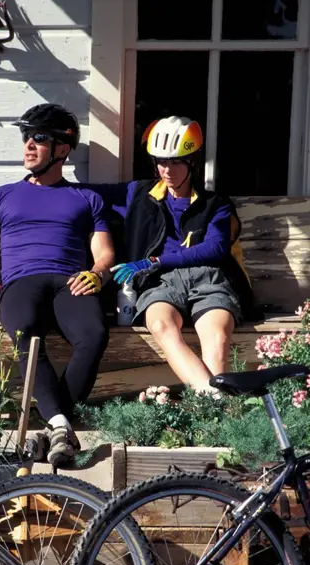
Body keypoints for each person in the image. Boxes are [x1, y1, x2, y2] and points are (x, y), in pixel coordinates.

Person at [0, 104, 115, 465]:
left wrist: (96, 274)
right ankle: (63, 426)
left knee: (94, 334)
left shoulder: (87, 199)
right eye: (26, 137)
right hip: (22, 282)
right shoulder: (0, 197)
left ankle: (53, 424)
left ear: (62, 150)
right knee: (25, 333)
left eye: (39, 138)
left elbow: (106, 254)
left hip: (70, 281)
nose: (28, 145)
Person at [92, 115, 254, 394]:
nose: (167, 169)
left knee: (216, 338)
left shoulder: (215, 203)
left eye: (177, 161)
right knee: (160, 325)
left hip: (209, 279)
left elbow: (215, 248)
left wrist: (153, 260)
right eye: (161, 161)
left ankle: (210, 409)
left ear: (193, 161)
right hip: (159, 282)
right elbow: (81, 195)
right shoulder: (138, 193)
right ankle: (216, 404)